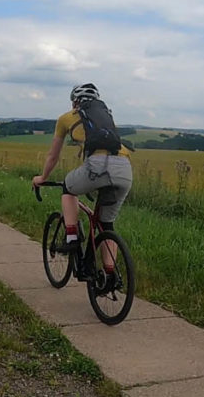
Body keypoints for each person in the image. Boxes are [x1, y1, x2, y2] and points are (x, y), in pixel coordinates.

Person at [32, 83, 133, 283]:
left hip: (97, 167)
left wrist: (42, 178)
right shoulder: (107, 117)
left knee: (68, 188)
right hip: (125, 169)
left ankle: (71, 236)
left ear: (75, 102)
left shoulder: (65, 118)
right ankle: (109, 276)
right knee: (106, 224)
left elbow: (53, 156)